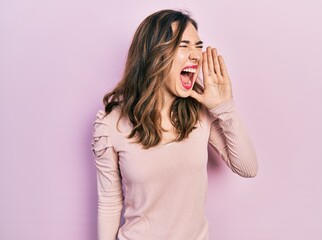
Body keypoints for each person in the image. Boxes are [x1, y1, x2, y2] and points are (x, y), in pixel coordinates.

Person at [92, 9, 258, 240]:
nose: (196, 55)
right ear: (153, 54)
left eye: (198, 46)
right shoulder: (111, 125)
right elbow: (109, 202)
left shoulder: (200, 113)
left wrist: (225, 107)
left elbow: (248, 167)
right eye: (184, 46)